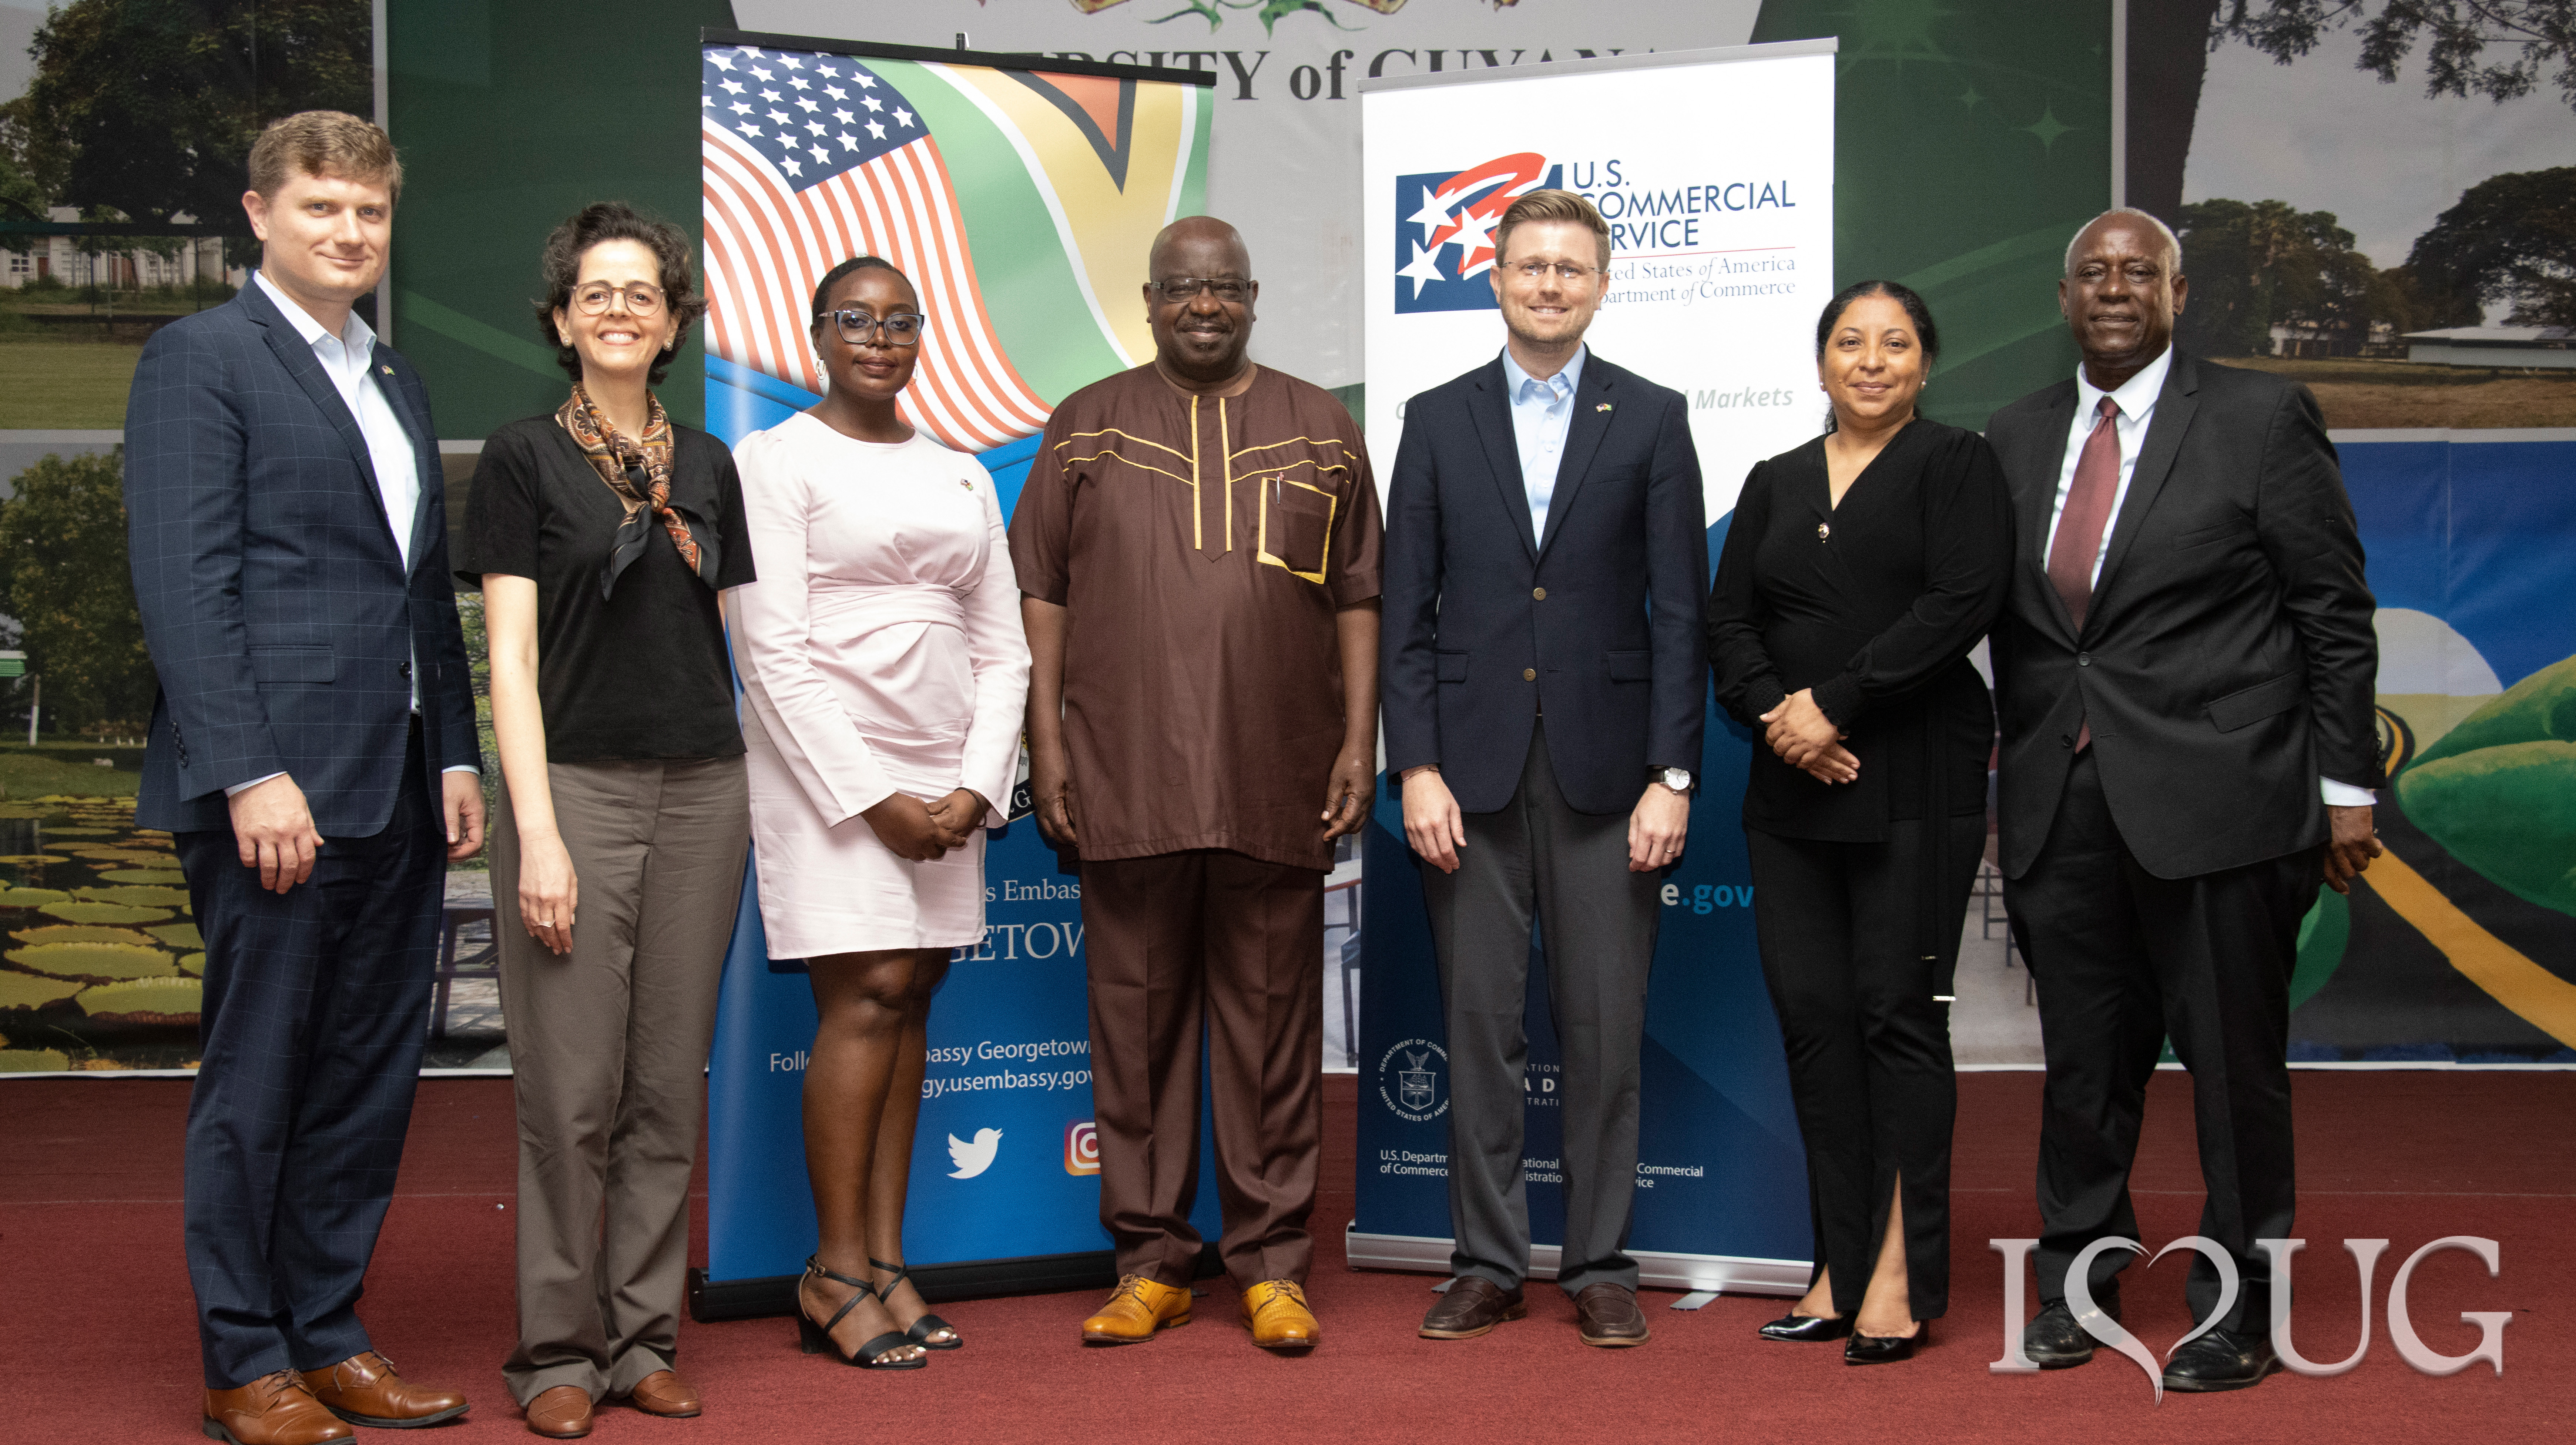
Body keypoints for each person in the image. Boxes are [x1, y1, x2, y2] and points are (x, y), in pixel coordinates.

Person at [124, 111, 482, 1445]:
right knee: (260, 1081)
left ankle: (327, 1334)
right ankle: (242, 1363)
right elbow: (185, 587)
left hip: (392, 783)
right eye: (323, 207)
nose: (350, 232)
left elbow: (415, 596)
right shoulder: (199, 359)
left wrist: (452, 745)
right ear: (260, 214)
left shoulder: (394, 381)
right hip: (271, 795)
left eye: (371, 213)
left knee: (365, 1077)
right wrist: (247, 772)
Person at [1990, 209, 2381, 1393]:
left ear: (2177, 289)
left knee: (2232, 1065)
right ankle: (2077, 1283)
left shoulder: (2261, 417)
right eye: (2093, 273)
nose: (2115, 289)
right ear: (2065, 297)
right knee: (2083, 1065)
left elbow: (2332, 613)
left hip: (2225, 803)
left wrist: (2347, 787)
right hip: (2061, 803)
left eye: (2137, 272)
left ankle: (2241, 1305)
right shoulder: (2012, 435)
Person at [1010, 216, 1382, 1353]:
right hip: (1126, 779)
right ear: (1150, 300)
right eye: (1183, 290)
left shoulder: (1322, 424)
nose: (1204, 306)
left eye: (1223, 288)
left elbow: (1359, 597)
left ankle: (1271, 1267)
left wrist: (1356, 742)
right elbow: (1041, 597)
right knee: (1137, 1032)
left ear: (1255, 296)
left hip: (1277, 779)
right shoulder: (1086, 427)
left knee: (1273, 1032)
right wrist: (1050, 746)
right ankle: (1154, 1264)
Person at [1381, 189, 1707, 1350]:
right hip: (1463, 777)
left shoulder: (1655, 418)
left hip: (1611, 777)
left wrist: (1675, 773)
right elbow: (1404, 613)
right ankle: (1485, 1262)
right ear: (1497, 279)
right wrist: (1411, 763)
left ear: (1603, 285)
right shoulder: (1434, 417)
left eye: (1572, 268)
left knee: (1605, 1025)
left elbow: (1681, 615)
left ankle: (1602, 1263)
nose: (1550, 284)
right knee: (1480, 1025)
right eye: (1530, 266)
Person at [455, 202, 757, 1438]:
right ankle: (558, 1350)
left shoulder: (710, 467)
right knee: (568, 1098)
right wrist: (539, 834)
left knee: (662, 1094)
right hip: (571, 791)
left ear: (675, 321)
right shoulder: (523, 460)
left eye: (643, 292)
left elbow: (750, 652)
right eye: (598, 292)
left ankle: (641, 1342)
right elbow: (510, 666)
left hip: (706, 794)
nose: (621, 308)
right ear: (564, 318)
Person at [731, 255, 1031, 1371]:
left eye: (900, 321)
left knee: (912, 994)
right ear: (818, 334)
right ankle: (832, 1270)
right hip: (830, 773)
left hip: (948, 776)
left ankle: (891, 1262)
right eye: (855, 319)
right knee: (862, 996)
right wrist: (876, 798)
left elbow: (1004, 647)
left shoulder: (960, 474)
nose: (879, 337)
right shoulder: (774, 462)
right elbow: (770, 652)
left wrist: (973, 785)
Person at [1705, 281, 2013, 1364]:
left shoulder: (1958, 465)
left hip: (1914, 783)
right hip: (1790, 794)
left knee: (1897, 1020)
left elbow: (1962, 602)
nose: (1872, 361)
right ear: (1821, 361)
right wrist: (1772, 714)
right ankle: (1836, 1262)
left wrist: (1838, 700)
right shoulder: (1775, 479)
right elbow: (1730, 618)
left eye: (1896, 344)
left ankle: (1899, 1272)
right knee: (1817, 1028)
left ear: (1925, 365)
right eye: (1851, 342)